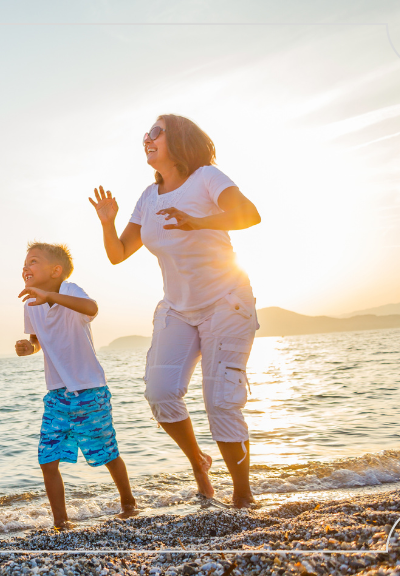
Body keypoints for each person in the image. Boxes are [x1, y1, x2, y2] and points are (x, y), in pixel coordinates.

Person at [88, 114, 262, 508]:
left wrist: (198, 222)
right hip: (178, 309)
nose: (146, 138)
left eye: (155, 132)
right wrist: (107, 222)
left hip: (226, 302)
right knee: (161, 394)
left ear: (178, 140)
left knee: (220, 402)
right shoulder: (148, 197)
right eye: (146, 133)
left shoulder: (207, 177)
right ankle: (200, 462)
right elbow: (117, 254)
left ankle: (242, 493)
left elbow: (250, 214)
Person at [14, 242, 137, 529]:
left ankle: (129, 503)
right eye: (25, 263)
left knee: (107, 451)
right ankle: (61, 520)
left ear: (56, 271)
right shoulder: (29, 304)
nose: (25, 267)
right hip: (57, 392)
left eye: (33, 261)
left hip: (89, 388)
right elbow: (37, 342)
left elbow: (91, 307)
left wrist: (51, 296)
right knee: (48, 458)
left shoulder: (70, 290)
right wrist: (27, 347)